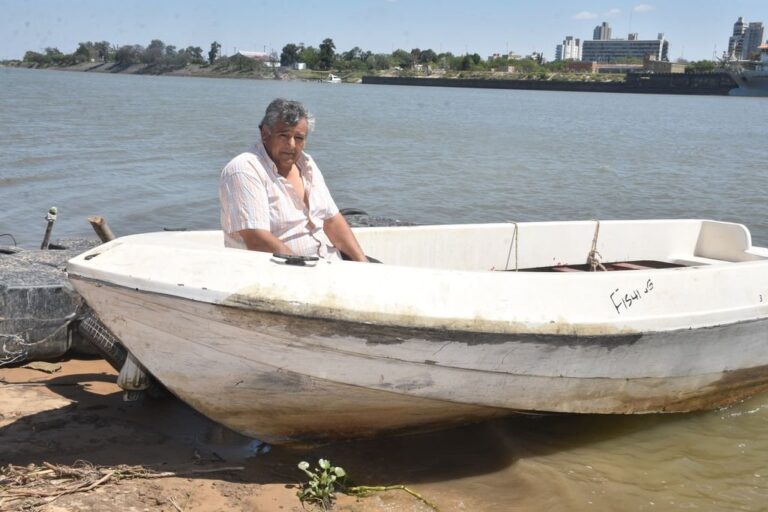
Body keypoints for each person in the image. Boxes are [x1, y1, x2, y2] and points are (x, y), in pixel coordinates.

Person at [219, 98, 368, 262]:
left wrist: (364, 265)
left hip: (324, 262)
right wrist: (307, 270)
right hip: (280, 272)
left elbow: (332, 220)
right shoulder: (244, 170)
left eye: (298, 138)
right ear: (264, 134)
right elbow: (256, 240)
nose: (291, 145)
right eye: (283, 135)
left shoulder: (307, 164)